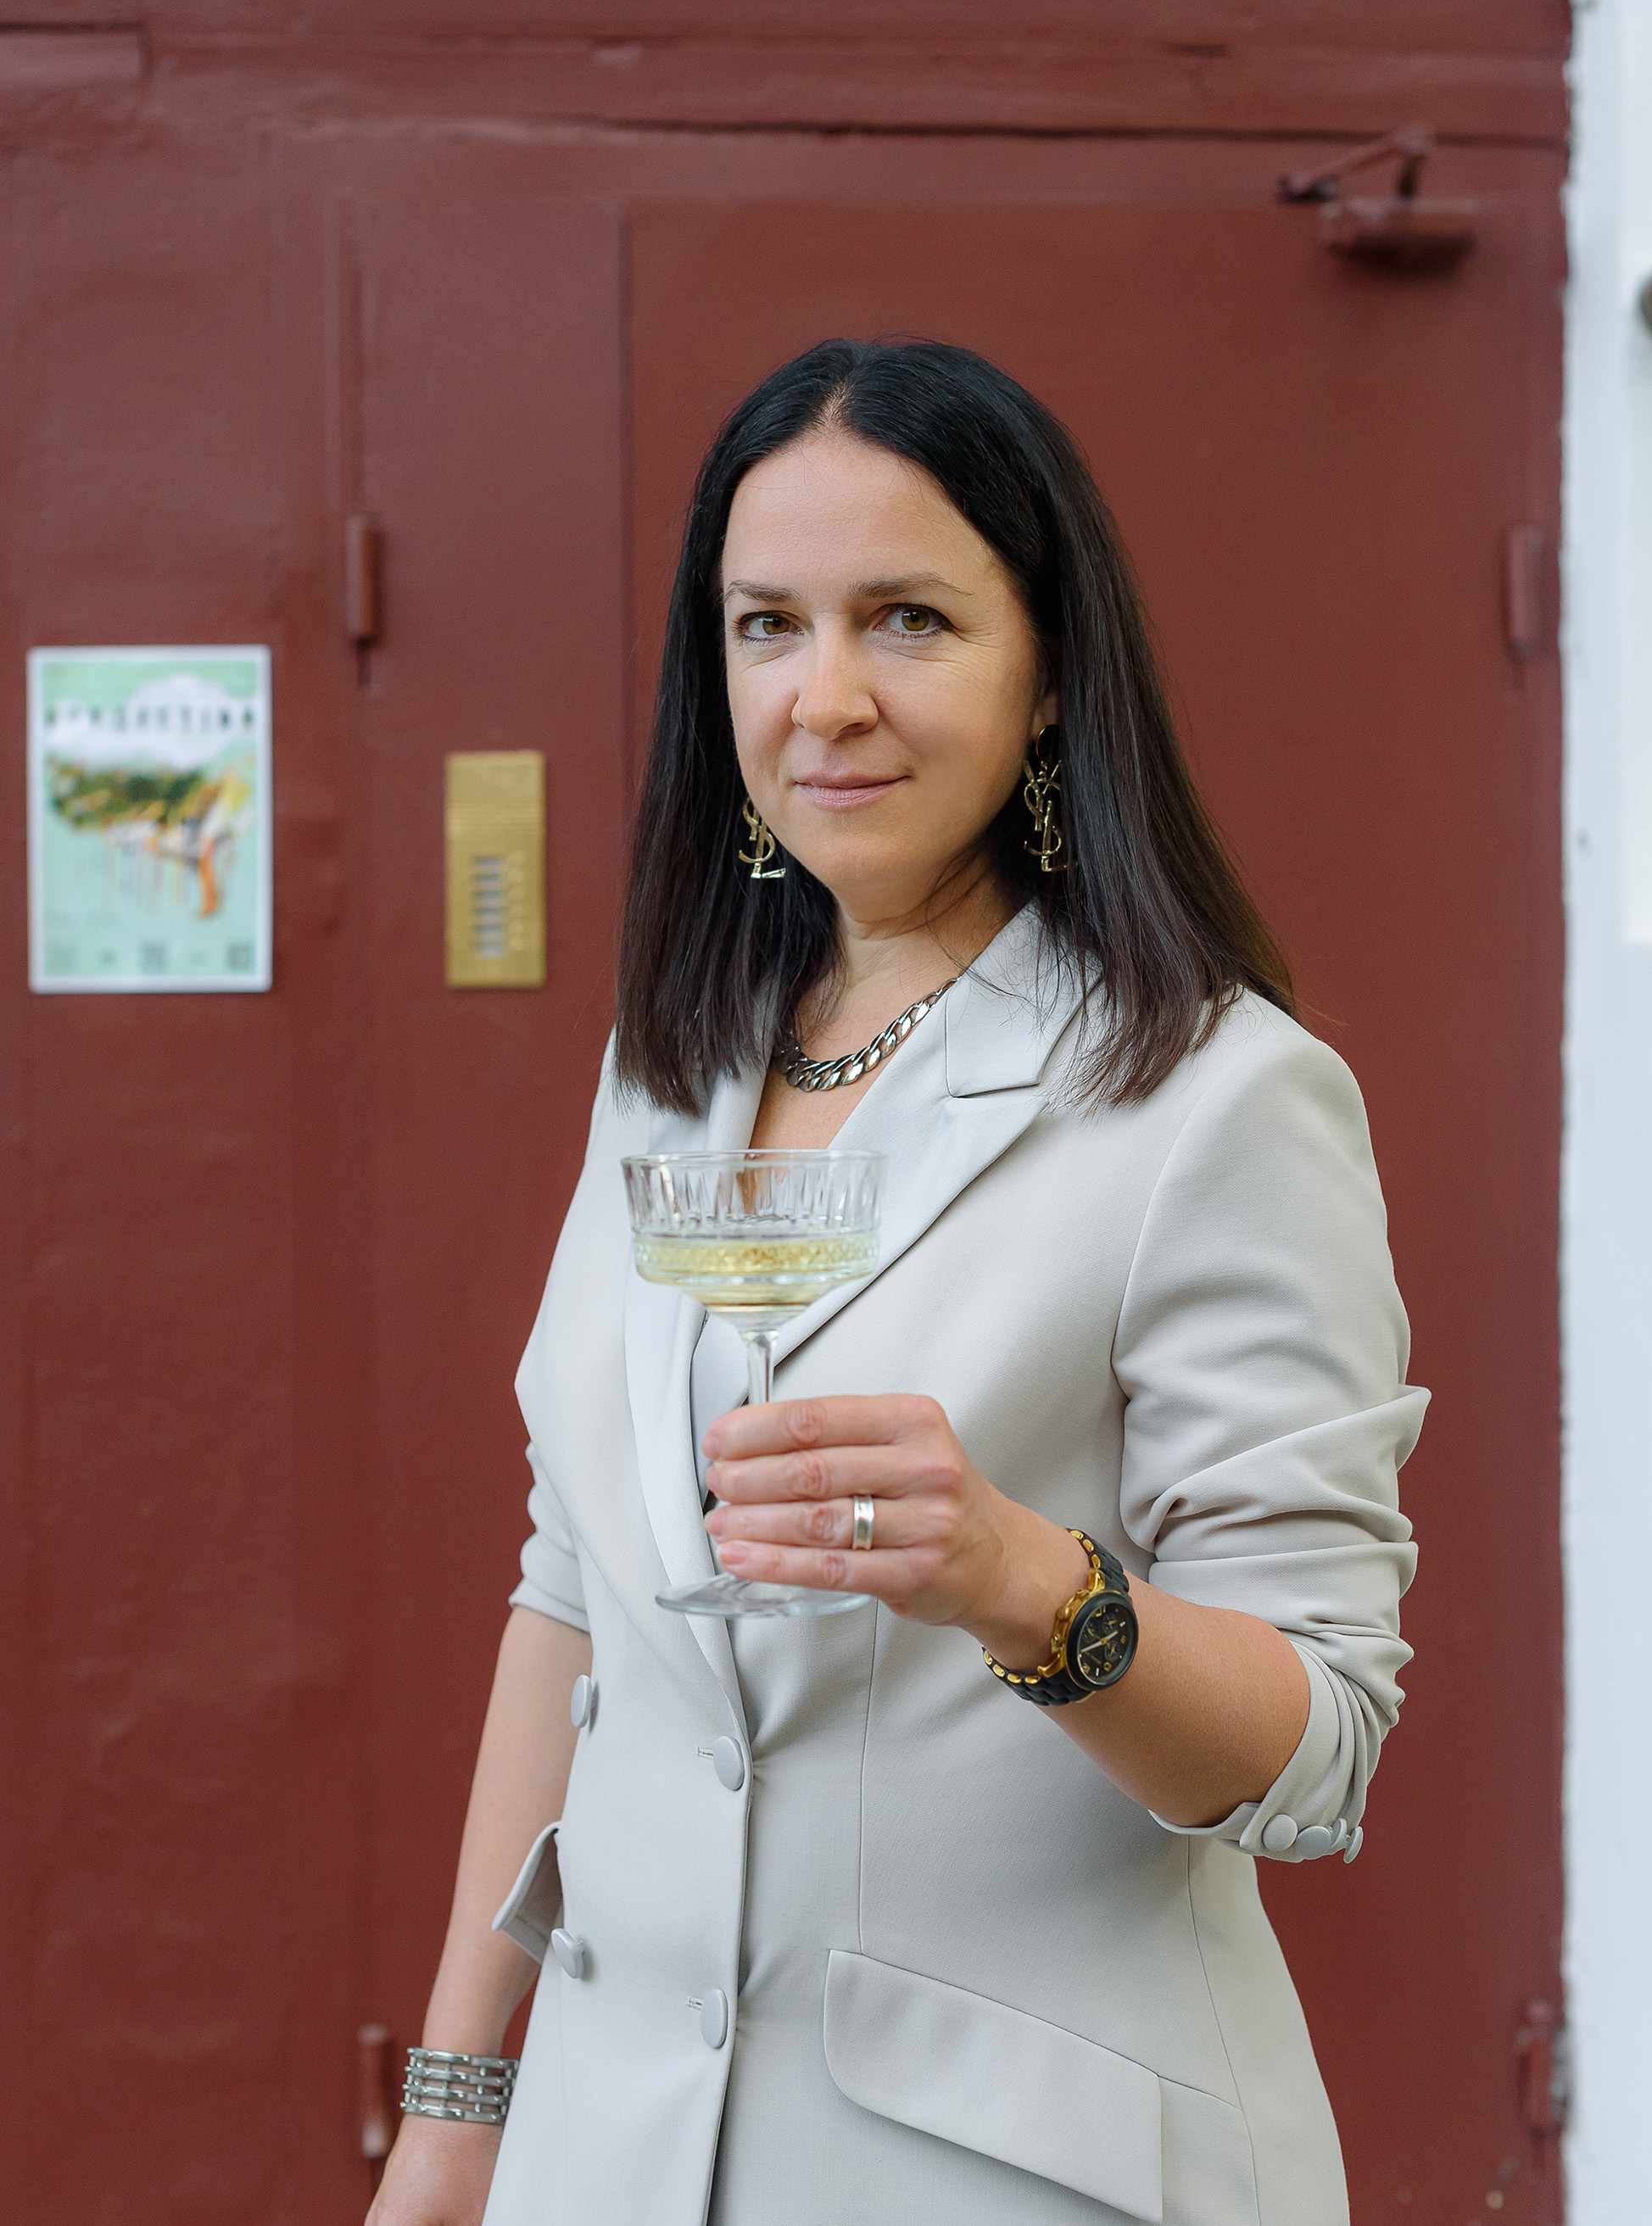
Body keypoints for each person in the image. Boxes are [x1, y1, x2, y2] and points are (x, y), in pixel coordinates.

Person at [368, 338, 1426, 2226]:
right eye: (767, 625)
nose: (825, 695)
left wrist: (1018, 1578)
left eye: (909, 619)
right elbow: (574, 1593)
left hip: (1011, 2169)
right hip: (614, 2161)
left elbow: (1317, 1749)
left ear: (1048, 675)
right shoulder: (669, 1065)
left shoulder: (1216, 1096)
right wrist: (460, 2110)